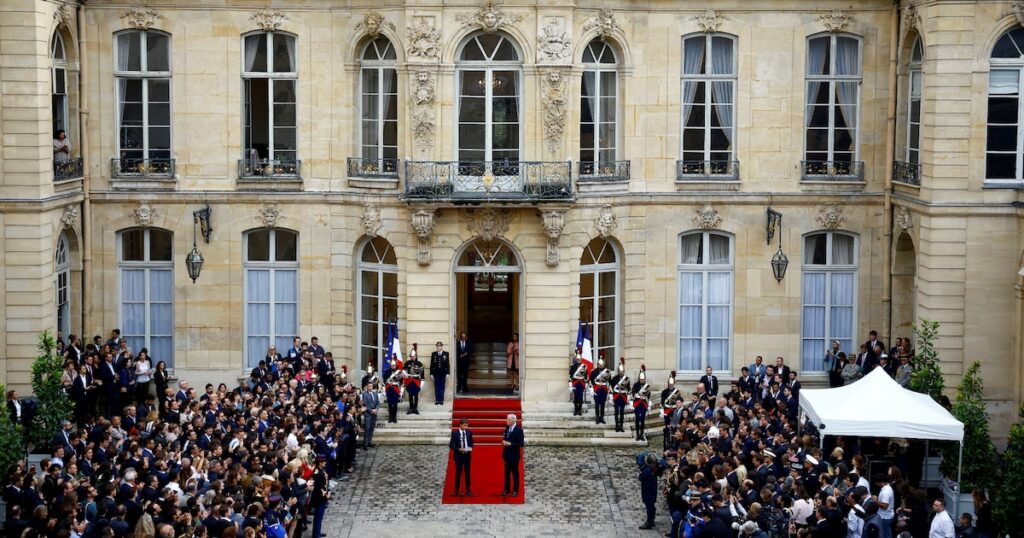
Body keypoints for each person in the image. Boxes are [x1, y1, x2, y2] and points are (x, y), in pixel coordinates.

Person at [449, 417, 473, 496]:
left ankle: (468, 490)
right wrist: (458, 449)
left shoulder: (469, 433)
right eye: (465, 425)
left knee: (467, 473)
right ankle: (456, 490)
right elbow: (451, 446)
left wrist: (469, 448)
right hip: (458, 456)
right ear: (460, 425)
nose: (466, 427)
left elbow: (472, 443)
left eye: (467, 425)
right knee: (458, 473)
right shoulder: (455, 433)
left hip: (467, 456)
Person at [501, 413, 523, 497]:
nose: (506, 421)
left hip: (514, 456)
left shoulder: (518, 430)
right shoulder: (507, 428)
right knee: (506, 473)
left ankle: (515, 490)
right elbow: (505, 437)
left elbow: (520, 443)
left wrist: (510, 444)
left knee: (514, 473)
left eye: (508, 419)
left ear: (513, 420)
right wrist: (504, 441)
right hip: (507, 455)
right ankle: (506, 489)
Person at [637, 452, 661, 530]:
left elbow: (641, 478)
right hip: (652, 490)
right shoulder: (654, 468)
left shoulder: (647, 470)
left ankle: (649, 522)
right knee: (651, 506)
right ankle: (651, 520)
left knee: (649, 507)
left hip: (648, 491)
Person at [310, 455, 330, 538]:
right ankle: (316, 535)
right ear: (320, 463)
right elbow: (318, 488)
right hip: (319, 498)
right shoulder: (318, 473)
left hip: (322, 497)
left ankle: (317, 532)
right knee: (318, 517)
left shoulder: (321, 470)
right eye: (323, 461)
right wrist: (326, 495)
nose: (325, 462)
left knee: (320, 517)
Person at [610, 358, 631, 433]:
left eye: (622, 371)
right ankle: (616, 426)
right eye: (620, 371)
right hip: (616, 397)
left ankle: (621, 426)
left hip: (623, 397)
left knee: (622, 412)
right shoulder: (614, 378)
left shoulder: (627, 379)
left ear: (623, 371)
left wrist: (628, 395)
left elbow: (629, 389)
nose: (621, 372)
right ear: (618, 371)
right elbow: (611, 387)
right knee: (616, 412)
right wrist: (611, 395)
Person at [631, 365, 651, 441]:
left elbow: (649, 394)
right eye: (641, 379)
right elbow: (633, 393)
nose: (642, 380)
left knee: (642, 420)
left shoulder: (647, 386)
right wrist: (636, 395)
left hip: (643, 404)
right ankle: (637, 434)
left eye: (643, 379)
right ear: (639, 378)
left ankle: (641, 434)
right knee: (637, 419)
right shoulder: (635, 385)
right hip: (637, 403)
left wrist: (647, 400)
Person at [589, 358, 611, 425]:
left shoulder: (607, 372)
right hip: (597, 389)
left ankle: (602, 417)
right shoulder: (594, 371)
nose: (601, 366)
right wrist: (591, 389)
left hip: (604, 389)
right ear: (597, 364)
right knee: (597, 404)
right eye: (599, 364)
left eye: (602, 364)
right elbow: (590, 380)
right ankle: (597, 418)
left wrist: (609, 390)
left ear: (604, 364)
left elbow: (609, 382)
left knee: (603, 404)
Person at [404, 344, 424, 415]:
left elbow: (422, 373)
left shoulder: (419, 364)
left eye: (414, 356)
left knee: (415, 395)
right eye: (411, 356)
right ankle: (411, 408)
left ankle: (415, 408)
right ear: (410, 356)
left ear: (416, 356)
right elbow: (404, 370)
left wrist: (422, 381)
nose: (413, 357)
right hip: (409, 381)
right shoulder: (407, 363)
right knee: (410, 395)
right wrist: (405, 374)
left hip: (416, 381)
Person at [384, 360, 403, 424]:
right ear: (390, 365)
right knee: (389, 404)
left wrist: (401, 391)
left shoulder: (399, 372)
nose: (393, 366)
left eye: (394, 365)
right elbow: (384, 381)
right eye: (392, 365)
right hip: (389, 388)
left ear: (396, 365)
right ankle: (390, 417)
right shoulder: (387, 372)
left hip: (396, 389)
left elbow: (401, 382)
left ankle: (394, 417)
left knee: (395, 404)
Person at [361, 383, 379, 449]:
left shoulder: (375, 393)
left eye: (371, 386)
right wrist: (372, 411)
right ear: (367, 387)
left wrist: (376, 409)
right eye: (369, 386)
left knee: (372, 428)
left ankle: (369, 442)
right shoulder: (364, 394)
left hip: (374, 413)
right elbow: (365, 404)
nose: (370, 387)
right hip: (368, 414)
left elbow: (378, 402)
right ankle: (365, 444)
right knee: (367, 428)